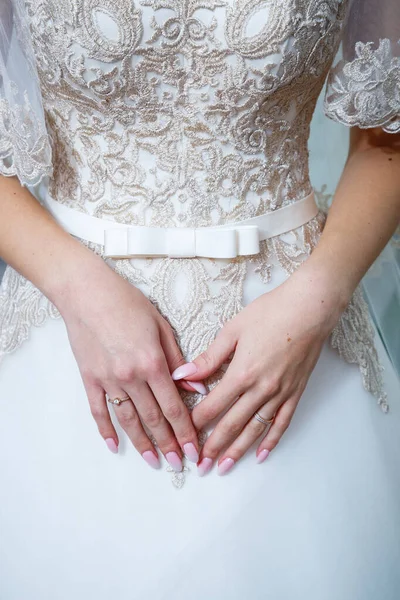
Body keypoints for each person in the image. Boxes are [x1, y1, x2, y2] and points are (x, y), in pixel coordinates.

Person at [0, 1, 399, 598]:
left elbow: (386, 136)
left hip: (293, 336)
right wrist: (76, 287)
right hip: (68, 334)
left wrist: (318, 297)